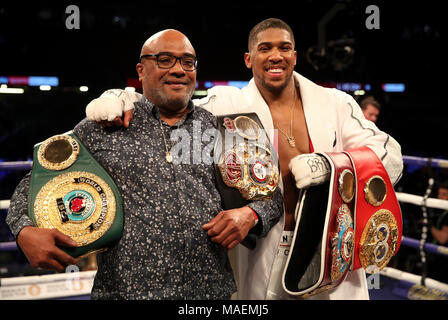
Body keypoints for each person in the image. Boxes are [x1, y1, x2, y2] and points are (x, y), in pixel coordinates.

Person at [85, 18, 404, 299]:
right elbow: (173, 104)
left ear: (294, 55)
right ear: (249, 59)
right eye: (265, 48)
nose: (275, 55)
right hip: (260, 250)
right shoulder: (227, 103)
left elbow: (390, 155)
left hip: (329, 246)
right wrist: (122, 97)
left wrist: (330, 167)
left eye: (284, 47)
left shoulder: (335, 103)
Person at [5, 29, 283, 299]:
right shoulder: (105, 126)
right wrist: (24, 230)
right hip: (124, 293)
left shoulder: (218, 129)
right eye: (165, 60)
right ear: (141, 70)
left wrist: (250, 215)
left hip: (208, 294)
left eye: (188, 62)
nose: (179, 70)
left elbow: (270, 196)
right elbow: (34, 182)